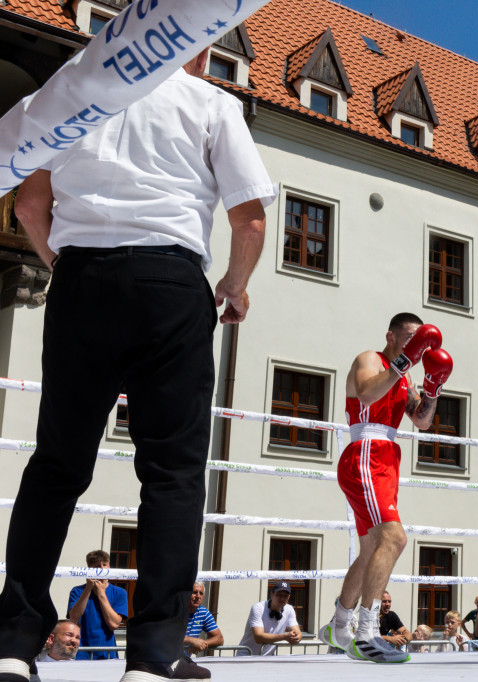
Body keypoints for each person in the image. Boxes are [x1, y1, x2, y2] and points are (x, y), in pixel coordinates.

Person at [0, 45, 274, 682]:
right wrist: (232, 287)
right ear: (197, 47)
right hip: (169, 282)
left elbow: (28, 207)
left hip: (81, 283)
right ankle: (152, 655)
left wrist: (66, 270)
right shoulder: (209, 102)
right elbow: (251, 221)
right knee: (172, 474)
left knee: (56, 465)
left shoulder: (65, 99)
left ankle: (13, 643)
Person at [317, 314, 452, 664]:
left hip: (387, 458)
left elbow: (421, 420)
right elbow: (365, 391)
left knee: (371, 550)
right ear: (391, 336)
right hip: (366, 451)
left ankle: (339, 625)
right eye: (411, 340)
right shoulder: (369, 359)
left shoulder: (405, 379)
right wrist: (405, 360)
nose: (416, 347)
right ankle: (366, 633)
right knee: (394, 538)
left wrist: (434, 388)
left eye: (420, 342)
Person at [66, 550, 128, 660]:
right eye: (98, 566)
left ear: (109, 566)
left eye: (105, 565)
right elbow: (74, 618)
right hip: (81, 652)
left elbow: (114, 624)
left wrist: (101, 594)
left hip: (107, 652)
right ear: (90, 569)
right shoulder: (77, 591)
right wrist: (88, 589)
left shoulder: (119, 592)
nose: (102, 569)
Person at [237, 582, 302, 656]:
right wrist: (285, 636)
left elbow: (298, 633)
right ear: (271, 594)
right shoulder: (258, 608)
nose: (282, 598)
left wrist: (296, 637)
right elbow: (258, 637)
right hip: (247, 656)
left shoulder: (289, 609)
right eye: (279, 595)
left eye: (285, 596)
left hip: (268, 657)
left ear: (289, 597)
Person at [184, 582, 223, 657]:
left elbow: (220, 638)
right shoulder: (176, 610)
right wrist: (190, 640)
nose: (198, 596)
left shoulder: (203, 613)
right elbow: (165, 636)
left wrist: (203, 643)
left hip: (183, 661)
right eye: (194, 592)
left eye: (201, 593)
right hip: (165, 660)